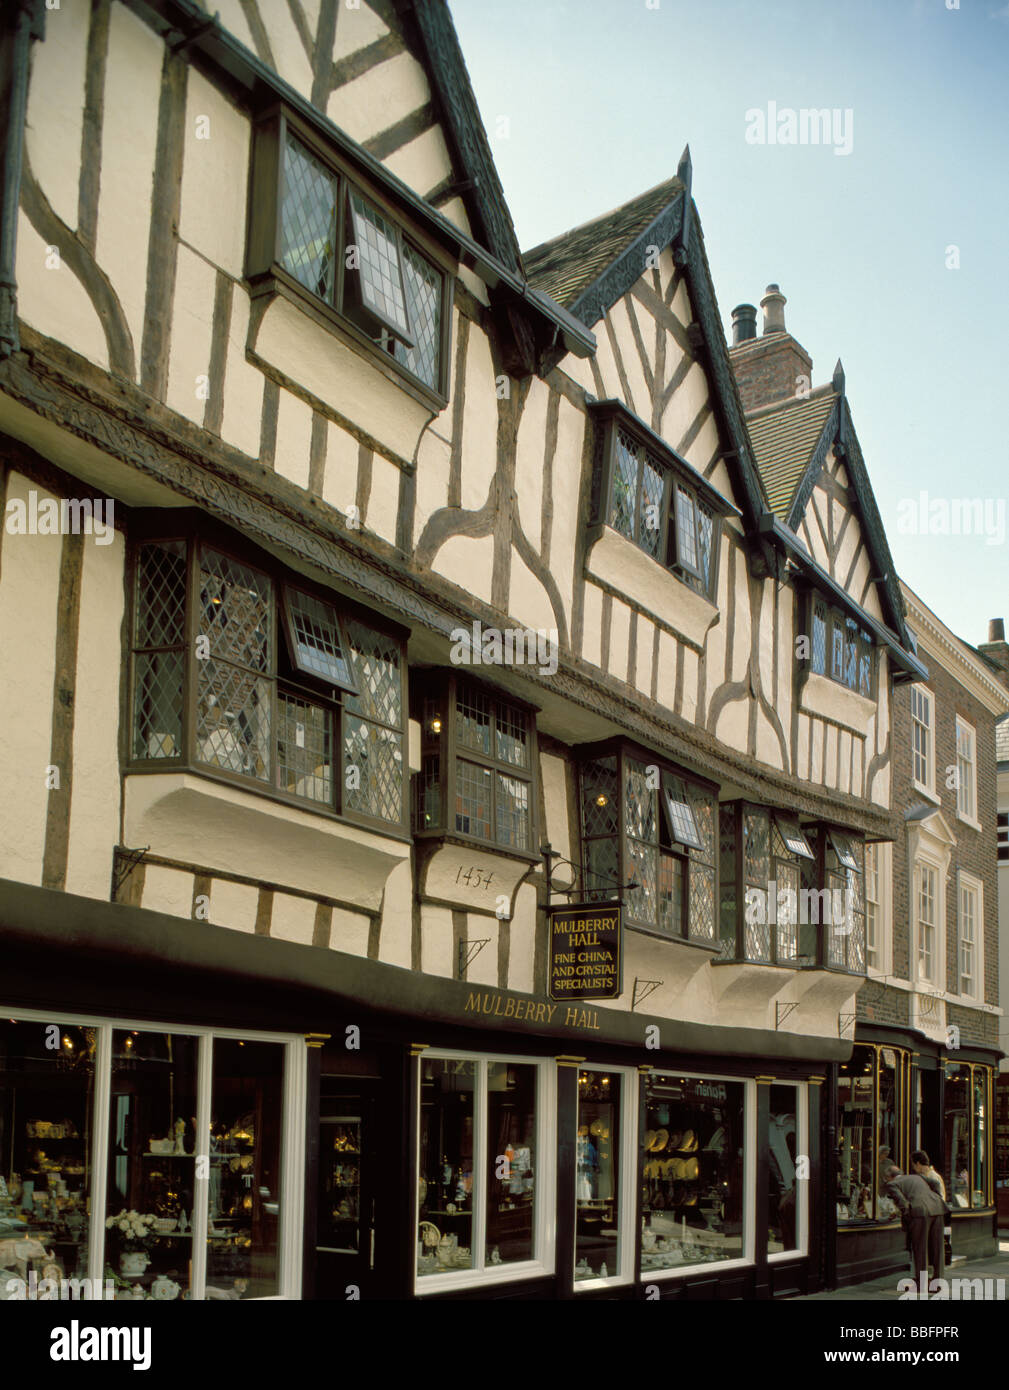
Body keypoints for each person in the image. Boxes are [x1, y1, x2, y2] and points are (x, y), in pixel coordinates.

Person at [883, 1161, 945, 1289]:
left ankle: (921, 1282)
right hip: (938, 1208)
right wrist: (936, 1197)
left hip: (920, 1213)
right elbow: (936, 1183)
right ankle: (937, 1282)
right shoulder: (917, 1176)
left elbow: (902, 1203)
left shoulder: (892, 1184)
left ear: (890, 1177)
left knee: (920, 1247)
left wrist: (907, 1214)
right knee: (938, 1248)